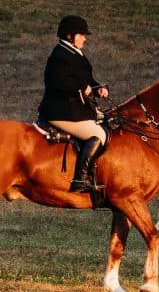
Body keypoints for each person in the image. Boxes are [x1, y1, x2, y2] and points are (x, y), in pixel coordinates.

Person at [39, 15, 110, 195]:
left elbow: (86, 79)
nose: (85, 38)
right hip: (60, 111)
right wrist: (82, 87)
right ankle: (80, 179)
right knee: (98, 134)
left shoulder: (74, 53)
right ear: (70, 36)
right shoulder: (59, 56)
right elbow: (58, 82)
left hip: (74, 109)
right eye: (82, 35)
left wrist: (97, 88)